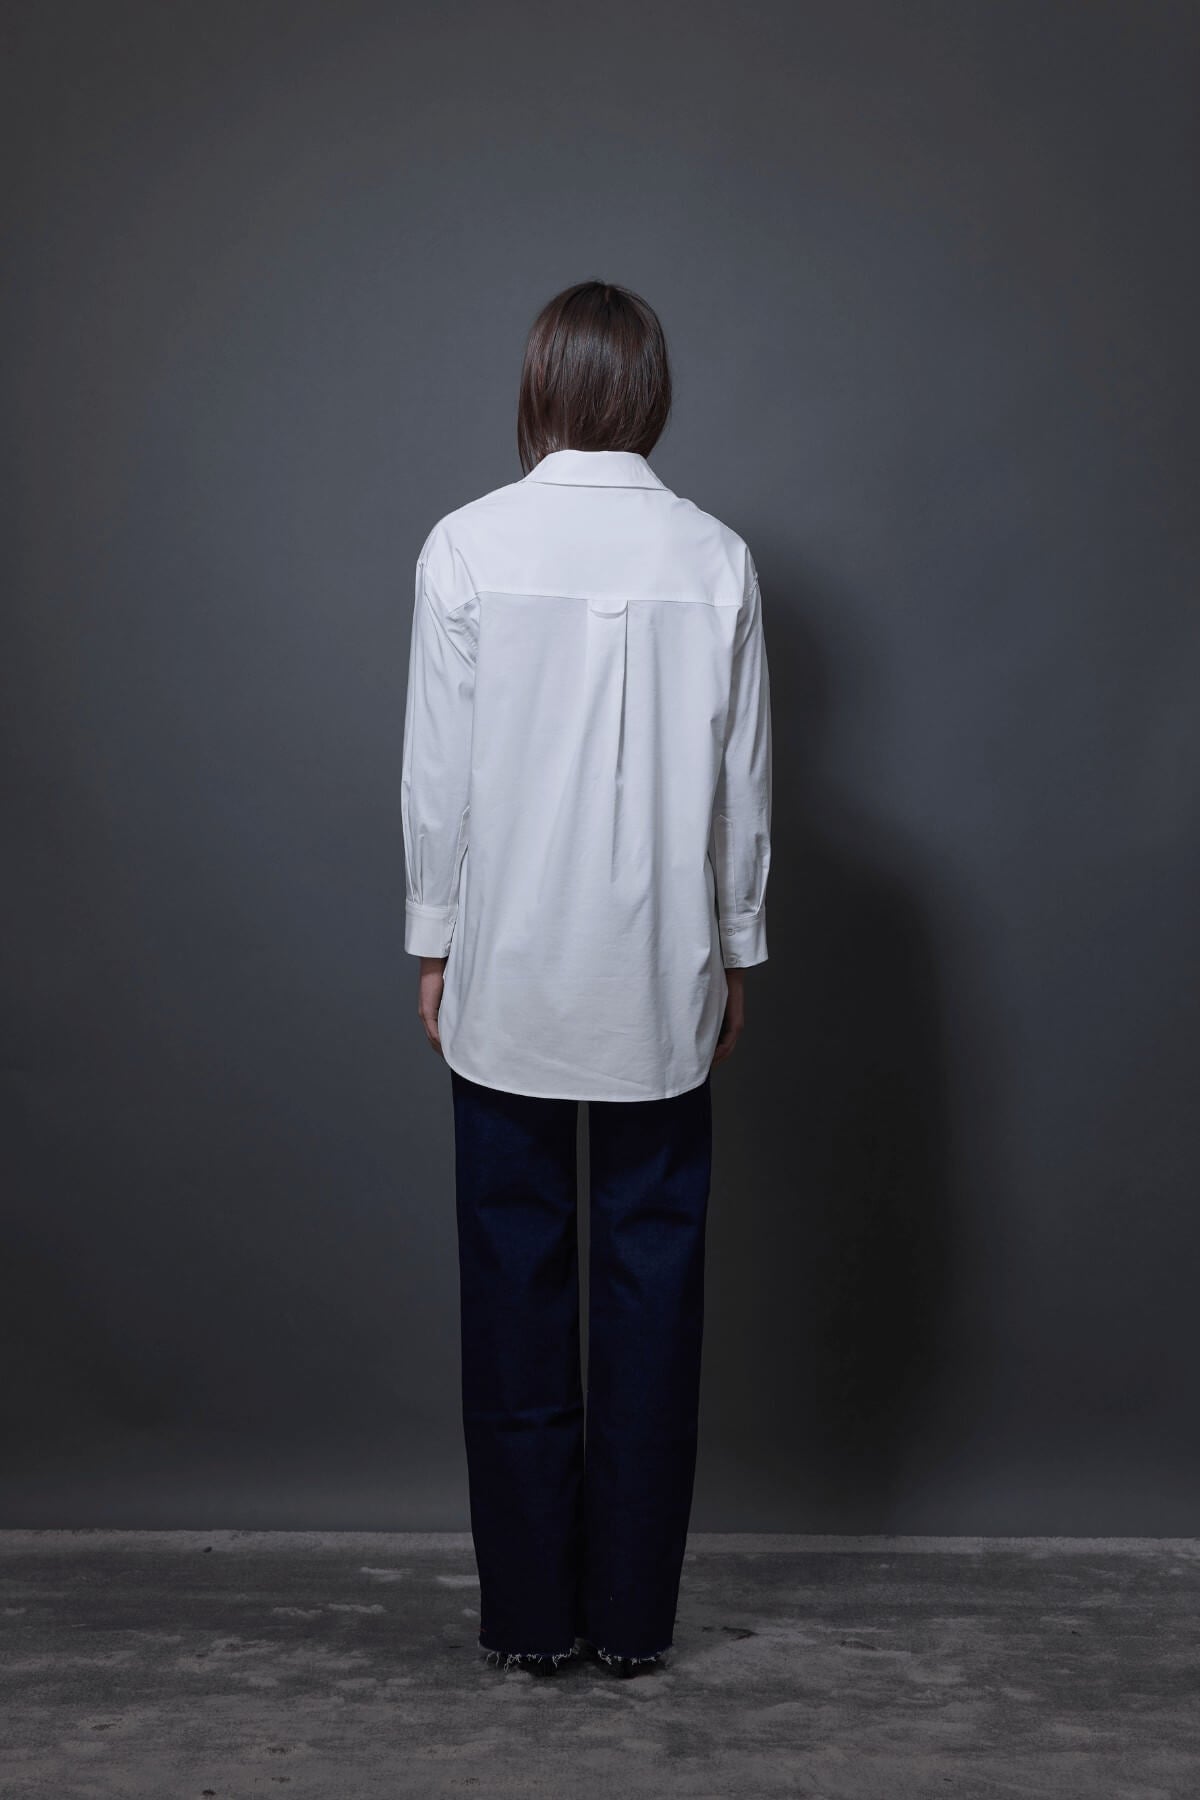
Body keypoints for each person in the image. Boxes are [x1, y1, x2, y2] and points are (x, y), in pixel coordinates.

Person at [400, 279, 772, 1679]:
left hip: (510, 966)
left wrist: (434, 936)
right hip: (662, 970)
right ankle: (630, 1624)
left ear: (542, 384)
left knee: (512, 1288)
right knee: (652, 1292)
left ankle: (526, 1623)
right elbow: (742, 785)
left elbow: (437, 774)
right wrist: (736, 944)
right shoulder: (717, 559)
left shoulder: (466, 546)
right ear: (650, 390)